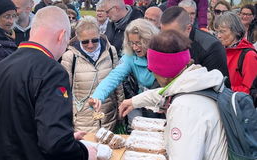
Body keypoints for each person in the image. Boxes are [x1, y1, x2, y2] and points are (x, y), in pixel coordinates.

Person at [0, 6, 96, 160]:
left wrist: (66, 137)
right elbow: (55, 144)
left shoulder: (3, 65)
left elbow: (19, 123)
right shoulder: (52, 72)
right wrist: (84, 153)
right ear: (62, 36)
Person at [118, 30, 228, 160]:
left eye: (151, 68)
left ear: (163, 70)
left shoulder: (184, 108)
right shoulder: (196, 81)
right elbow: (164, 93)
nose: (152, 73)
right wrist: (133, 102)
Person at [90, 18, 161, 130]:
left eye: (138, 43)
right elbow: (113, 77)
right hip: (142, 103)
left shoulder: (163, 53)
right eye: (131, 43)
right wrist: (97, 96)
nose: (134, 47)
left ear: (149, 40)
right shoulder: (130, 57)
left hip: (164, 103)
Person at [61, 16, 124, 133]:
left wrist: (121, 106)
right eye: (85, 41)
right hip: (82, 120)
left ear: (100, 35)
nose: (90, 45)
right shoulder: (69, 56)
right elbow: (64, 89)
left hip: (108, 116)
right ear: (78, 38)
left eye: (95, 40)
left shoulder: (111, 51)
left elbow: (117, 82)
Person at [160, 7, 230, 86]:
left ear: (188, 28)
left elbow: (217, 85)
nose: (167, 38)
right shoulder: (163, 41)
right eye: (164, 33)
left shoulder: (211, 47)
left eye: (173, 34)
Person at [214, 12, 257, 94]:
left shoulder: (249, 55)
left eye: (222, 31)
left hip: (238, 104)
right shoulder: (221, 51)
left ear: (235, 31)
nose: (218, 36)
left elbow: (250, 90)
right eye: (217, 32)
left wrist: (223, 89)